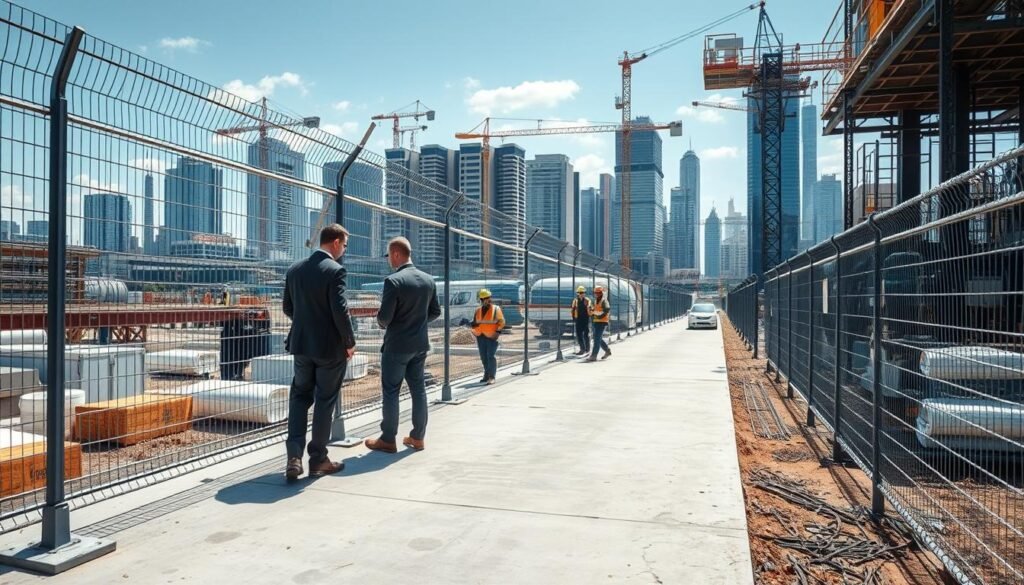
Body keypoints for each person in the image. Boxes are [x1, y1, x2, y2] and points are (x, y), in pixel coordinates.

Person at [282, 223, 356, 480]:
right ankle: (318, 459)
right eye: (344, 245)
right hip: (329, 349)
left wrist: (306, 324)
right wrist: (349, 342)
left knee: (299, 398)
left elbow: (288, 308)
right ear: (335, 242)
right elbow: (340, 310)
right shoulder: (335, 271)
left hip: (302, 346)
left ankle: (293, 458)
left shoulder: (295, 270)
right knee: (325, 401)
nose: (344, 250)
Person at [365, 236, 441, 454]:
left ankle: (388, 439)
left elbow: (385, 318)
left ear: (396, 254)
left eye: (389, 256)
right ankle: (418, 437)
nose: (389, 260)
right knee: (418, 389)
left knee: (391, 391)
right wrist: (416, 322)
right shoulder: (428, 279)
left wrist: (381, 321)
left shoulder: (393, 281)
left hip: (397, 346)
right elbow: (435, 312)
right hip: (419, 345)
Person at [471, 288, 505, 384]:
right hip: (480, 336)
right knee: (483, 357)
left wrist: (497, 332)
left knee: (490, 356)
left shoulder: (496, 309)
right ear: (481, 300)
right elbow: (475, 323)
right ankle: (486, 375)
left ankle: (491, 377)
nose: (487, 300)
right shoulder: (478, 310)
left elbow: (502, 322)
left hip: (491, 336)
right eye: (484, 298)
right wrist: (471, 325)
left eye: (488, 298)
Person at [586, 285, 612, 362]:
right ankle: (607, 350)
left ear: (601, 293)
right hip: (596, 322)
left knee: (597, 339)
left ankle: (594, 355)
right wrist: (590, 309)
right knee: (597, 338)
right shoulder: (595, 301)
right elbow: (593, 310)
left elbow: (607, 309)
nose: (597, 294)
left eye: (598, 292)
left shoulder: (604, 301)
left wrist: (600, 315)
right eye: (596, 293)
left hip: (602, 322)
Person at [570, 285, 592, 355]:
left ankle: (587, 349)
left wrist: (589, 312)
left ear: (584, 293)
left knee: (586, 334)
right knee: (579, 335)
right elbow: (573, 310)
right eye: (580, 292)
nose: (581, 294)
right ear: (577, 293)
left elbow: (590, 308)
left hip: (585, 319)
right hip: (578, 319)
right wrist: (574, 318)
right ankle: (582, 349)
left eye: (582, 292)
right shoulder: (575, 301)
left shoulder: (587, 300)